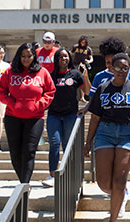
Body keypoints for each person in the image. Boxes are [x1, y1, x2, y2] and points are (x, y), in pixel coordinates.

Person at [84, 53, 130, 222]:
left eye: (125, 67)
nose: (122, 71)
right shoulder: (103, 88)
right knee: (104, 183)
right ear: (111, 68)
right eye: (118, 67)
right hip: (104, 132)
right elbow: (95, 117)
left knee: (120, 180)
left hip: (127, 133)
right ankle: (120, 195)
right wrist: (88, 142)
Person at [0, 42, 56, 183]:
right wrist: (13, 103)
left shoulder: (42, 72)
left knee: (29, 152)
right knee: (15, 153)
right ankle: (22, 182)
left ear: (34, 56)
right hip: (13, 117)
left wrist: (39, 105)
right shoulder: (10, 72)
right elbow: (1, 91)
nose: (26, 59)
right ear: (19, 56)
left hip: (35, 118)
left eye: (29, 56)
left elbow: (50, 91)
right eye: (23, 56)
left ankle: (25, 184)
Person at [42, 48, 91, 187]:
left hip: (70, 114)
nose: (63, 59)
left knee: (68, 145)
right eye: (60, 57)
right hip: (54, 115)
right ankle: (52, 175)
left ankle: (69, 174)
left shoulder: (75, 74)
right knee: (54, 143)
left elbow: (87, 91)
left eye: (66, 57)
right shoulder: (51, 75)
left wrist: (85, 76)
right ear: (56, 60)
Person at [0, 45, 10, 151]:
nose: (2, 55)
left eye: (3, 53)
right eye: (0, 52)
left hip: (0, 94)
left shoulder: (7, 66)